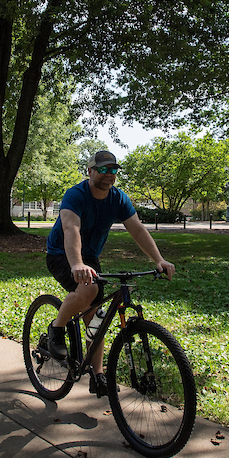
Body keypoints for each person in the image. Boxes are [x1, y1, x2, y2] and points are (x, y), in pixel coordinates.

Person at [44, 150, 175, 396]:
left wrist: (158, 259)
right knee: (90, 289)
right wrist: (76, 265)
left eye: (113, 170)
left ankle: (98, 375)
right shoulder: (76, 195)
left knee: (97, 318)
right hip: (62, 253)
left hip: (90, 257)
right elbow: (71, 228)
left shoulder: (118, 198)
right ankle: (57, 328)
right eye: (102, 169)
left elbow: (137, 229)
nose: (108, 175)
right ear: (90, 171)